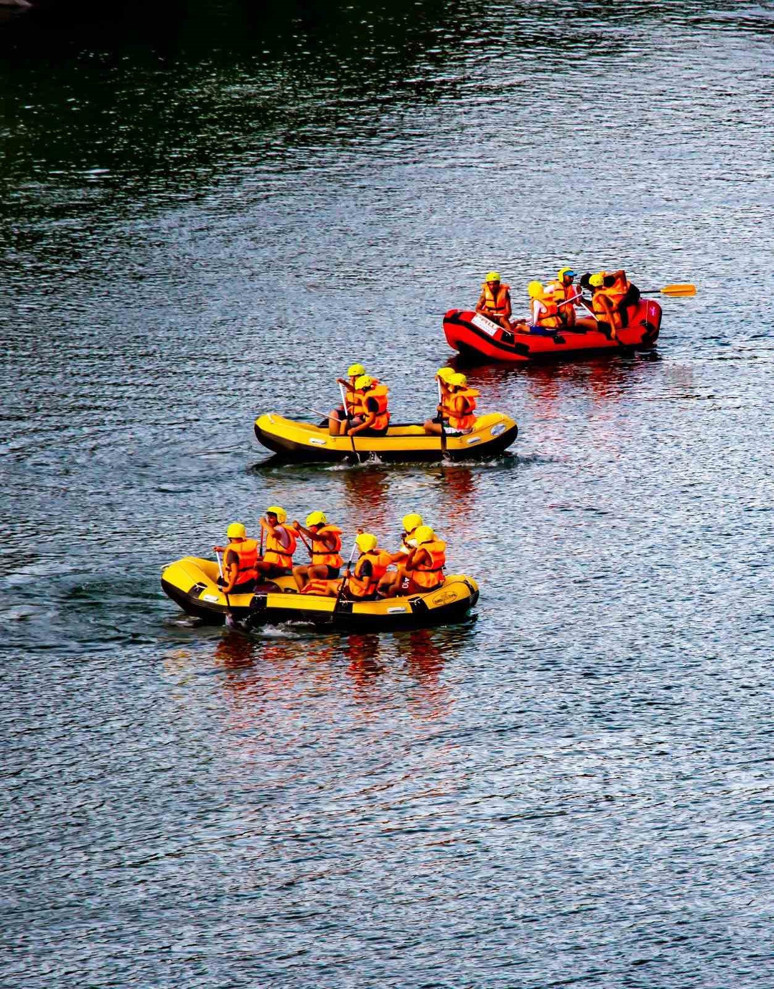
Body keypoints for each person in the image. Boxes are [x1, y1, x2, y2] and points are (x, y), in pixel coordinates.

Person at [291, 511, 343, 590]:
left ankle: (316, 590)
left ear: (316, 525)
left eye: (311, 527)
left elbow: (316, 537)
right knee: (296, 570)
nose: (310, 529)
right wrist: (315, 554)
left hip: (332, 569)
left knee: (312, 569)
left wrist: (300, 528)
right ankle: (303, 592)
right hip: (321, 567)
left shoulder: (327, 533)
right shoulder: (319, 533)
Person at [377, 513, 424, 596]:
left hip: (420, 577)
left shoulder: (413, 542)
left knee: (390, 586)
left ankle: (389, 599)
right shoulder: (425, 537)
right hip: (426, 573)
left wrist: (382, 552)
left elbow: (395, 558)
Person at [341, 532, 394, 600]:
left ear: (362, 547)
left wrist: (350, 576)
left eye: (359, 546)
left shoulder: (366, 563)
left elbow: (365, 586)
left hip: (362, 594)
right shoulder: (377, 556)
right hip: (374, 590)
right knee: (340, 581)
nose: (358, 548)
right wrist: (362, 535)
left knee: (332, 586)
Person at [398, 525, 447, 595]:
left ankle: (398, 591)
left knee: (400, 573)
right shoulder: (436, 547)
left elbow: (408, 568)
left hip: (424, 585)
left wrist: (410, 555)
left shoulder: (422, 552)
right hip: (436, 581)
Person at [213, 522, 259, 594]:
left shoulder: (231, 552)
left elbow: (235, 573)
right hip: (251, 582)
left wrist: (228, 589)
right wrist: (221, 549)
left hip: (237, 585)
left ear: (229, 537)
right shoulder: (249, 546)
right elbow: (239, 552)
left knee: (218, 575)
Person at [255, 506, 298, 578]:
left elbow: (273, 533)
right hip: (273, 564)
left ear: (279, 518)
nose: (269, 520)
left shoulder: (280, 529)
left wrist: (264, 523)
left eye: (271, 518)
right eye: (268, 518)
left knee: (255, 564)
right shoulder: (277, 528)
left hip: (280, 566)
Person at [424, 367, 454, 436]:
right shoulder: (451, 388)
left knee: (427, 426)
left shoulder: (453, 390)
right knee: (428, 422)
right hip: (448, 419)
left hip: (452, 423)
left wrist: (440, 381)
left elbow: (447, 394)